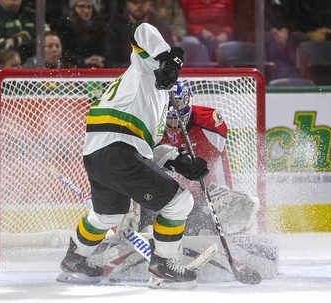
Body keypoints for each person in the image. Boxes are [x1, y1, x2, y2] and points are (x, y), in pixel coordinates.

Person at [57, 22, 209, 289]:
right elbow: (143, 29)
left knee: (107, 215)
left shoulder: (153, 107)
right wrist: (167, 61)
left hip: (98, 154)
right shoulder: (146, 68)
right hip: (117, 149)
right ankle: (163, 264)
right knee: (179, 202)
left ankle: (76, 259)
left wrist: (179, 160)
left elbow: (146, 150)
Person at [137, 81, 260, 236]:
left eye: (179, 118)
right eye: (169, 118)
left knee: (235, 207)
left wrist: (222, 195)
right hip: (158, 197)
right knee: (144, 225)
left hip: (199, 198)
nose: (174, 124)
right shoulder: (147, 125)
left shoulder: (208, 124)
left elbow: (220, 166)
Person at [103, 0, 174, 68]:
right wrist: (136, 67)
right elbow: (110, 62)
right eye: (134, 2)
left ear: (150, 3)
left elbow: (170, 56)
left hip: (156, 74)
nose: (139, 5)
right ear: (127, 4)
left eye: (143, 1)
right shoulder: (116, 27)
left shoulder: (161, 26)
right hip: (126, 73)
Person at [0, 0, 50, 64]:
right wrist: (32, 42)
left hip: (39, 66)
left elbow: (49, 42)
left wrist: (17, 40)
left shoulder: (33, 15)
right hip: (3, 73)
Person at [56, 0, 106, 68]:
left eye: (89, 7)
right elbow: (63, 52)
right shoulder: (65, 27)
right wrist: (83, 60)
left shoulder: (99, 27)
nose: (86, 10)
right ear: (74, 8)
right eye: (81, 6)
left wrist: (99, 58)